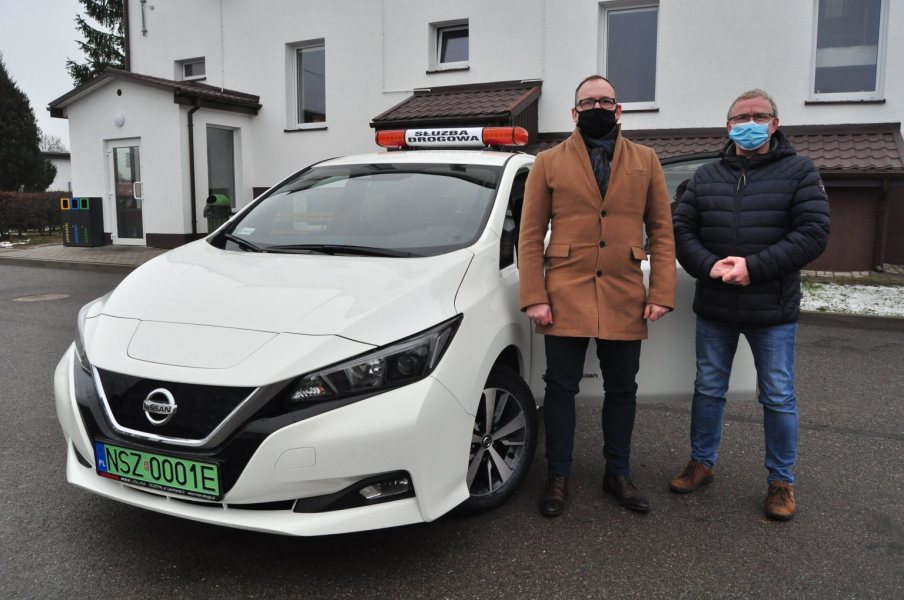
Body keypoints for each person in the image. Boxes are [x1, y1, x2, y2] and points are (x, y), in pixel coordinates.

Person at [669, 89, 830, 521]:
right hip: (716, 304)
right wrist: (709, 265)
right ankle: (701, 462)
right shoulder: (706, 176)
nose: (750, 123)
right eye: (741, 117)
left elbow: (813, 232)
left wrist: (753, 268)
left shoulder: (799, 171)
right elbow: (682, 229)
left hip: (772, 308)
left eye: (760, 116)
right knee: (708, 388)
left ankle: (781, 482)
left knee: (777, 394)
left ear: (775, 124)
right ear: (728, 126)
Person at [519, 75, 676, 517]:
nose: (597, 108)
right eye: (588, 102)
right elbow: (529, 235)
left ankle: (618, 474)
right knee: (560, 388)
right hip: (564, 293)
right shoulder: (547, 162)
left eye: (606, 101)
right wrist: (534, 295)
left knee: (623, 389)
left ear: (619, 109)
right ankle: (558, 477)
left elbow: (662, 231)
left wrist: (661, 290)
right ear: (574, 112)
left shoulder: (646, 160)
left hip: (624, 292)